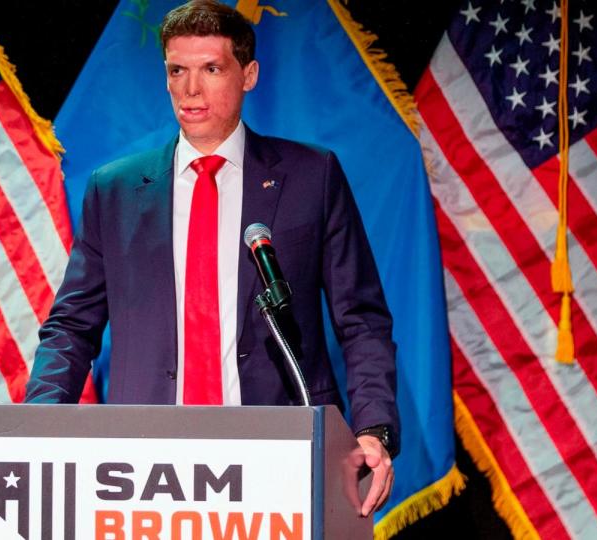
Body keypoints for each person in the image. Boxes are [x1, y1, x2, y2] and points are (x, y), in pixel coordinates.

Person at [25, 0, 398, 516]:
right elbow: (71, 325)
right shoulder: (115, 190)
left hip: (281, 453)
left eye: (211, 69)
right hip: (145, 463)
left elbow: (361, 320)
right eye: (177, 70)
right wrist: (38, 422)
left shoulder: (312, 177)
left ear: (248, 75)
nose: (190, 89)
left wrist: (374, 429)